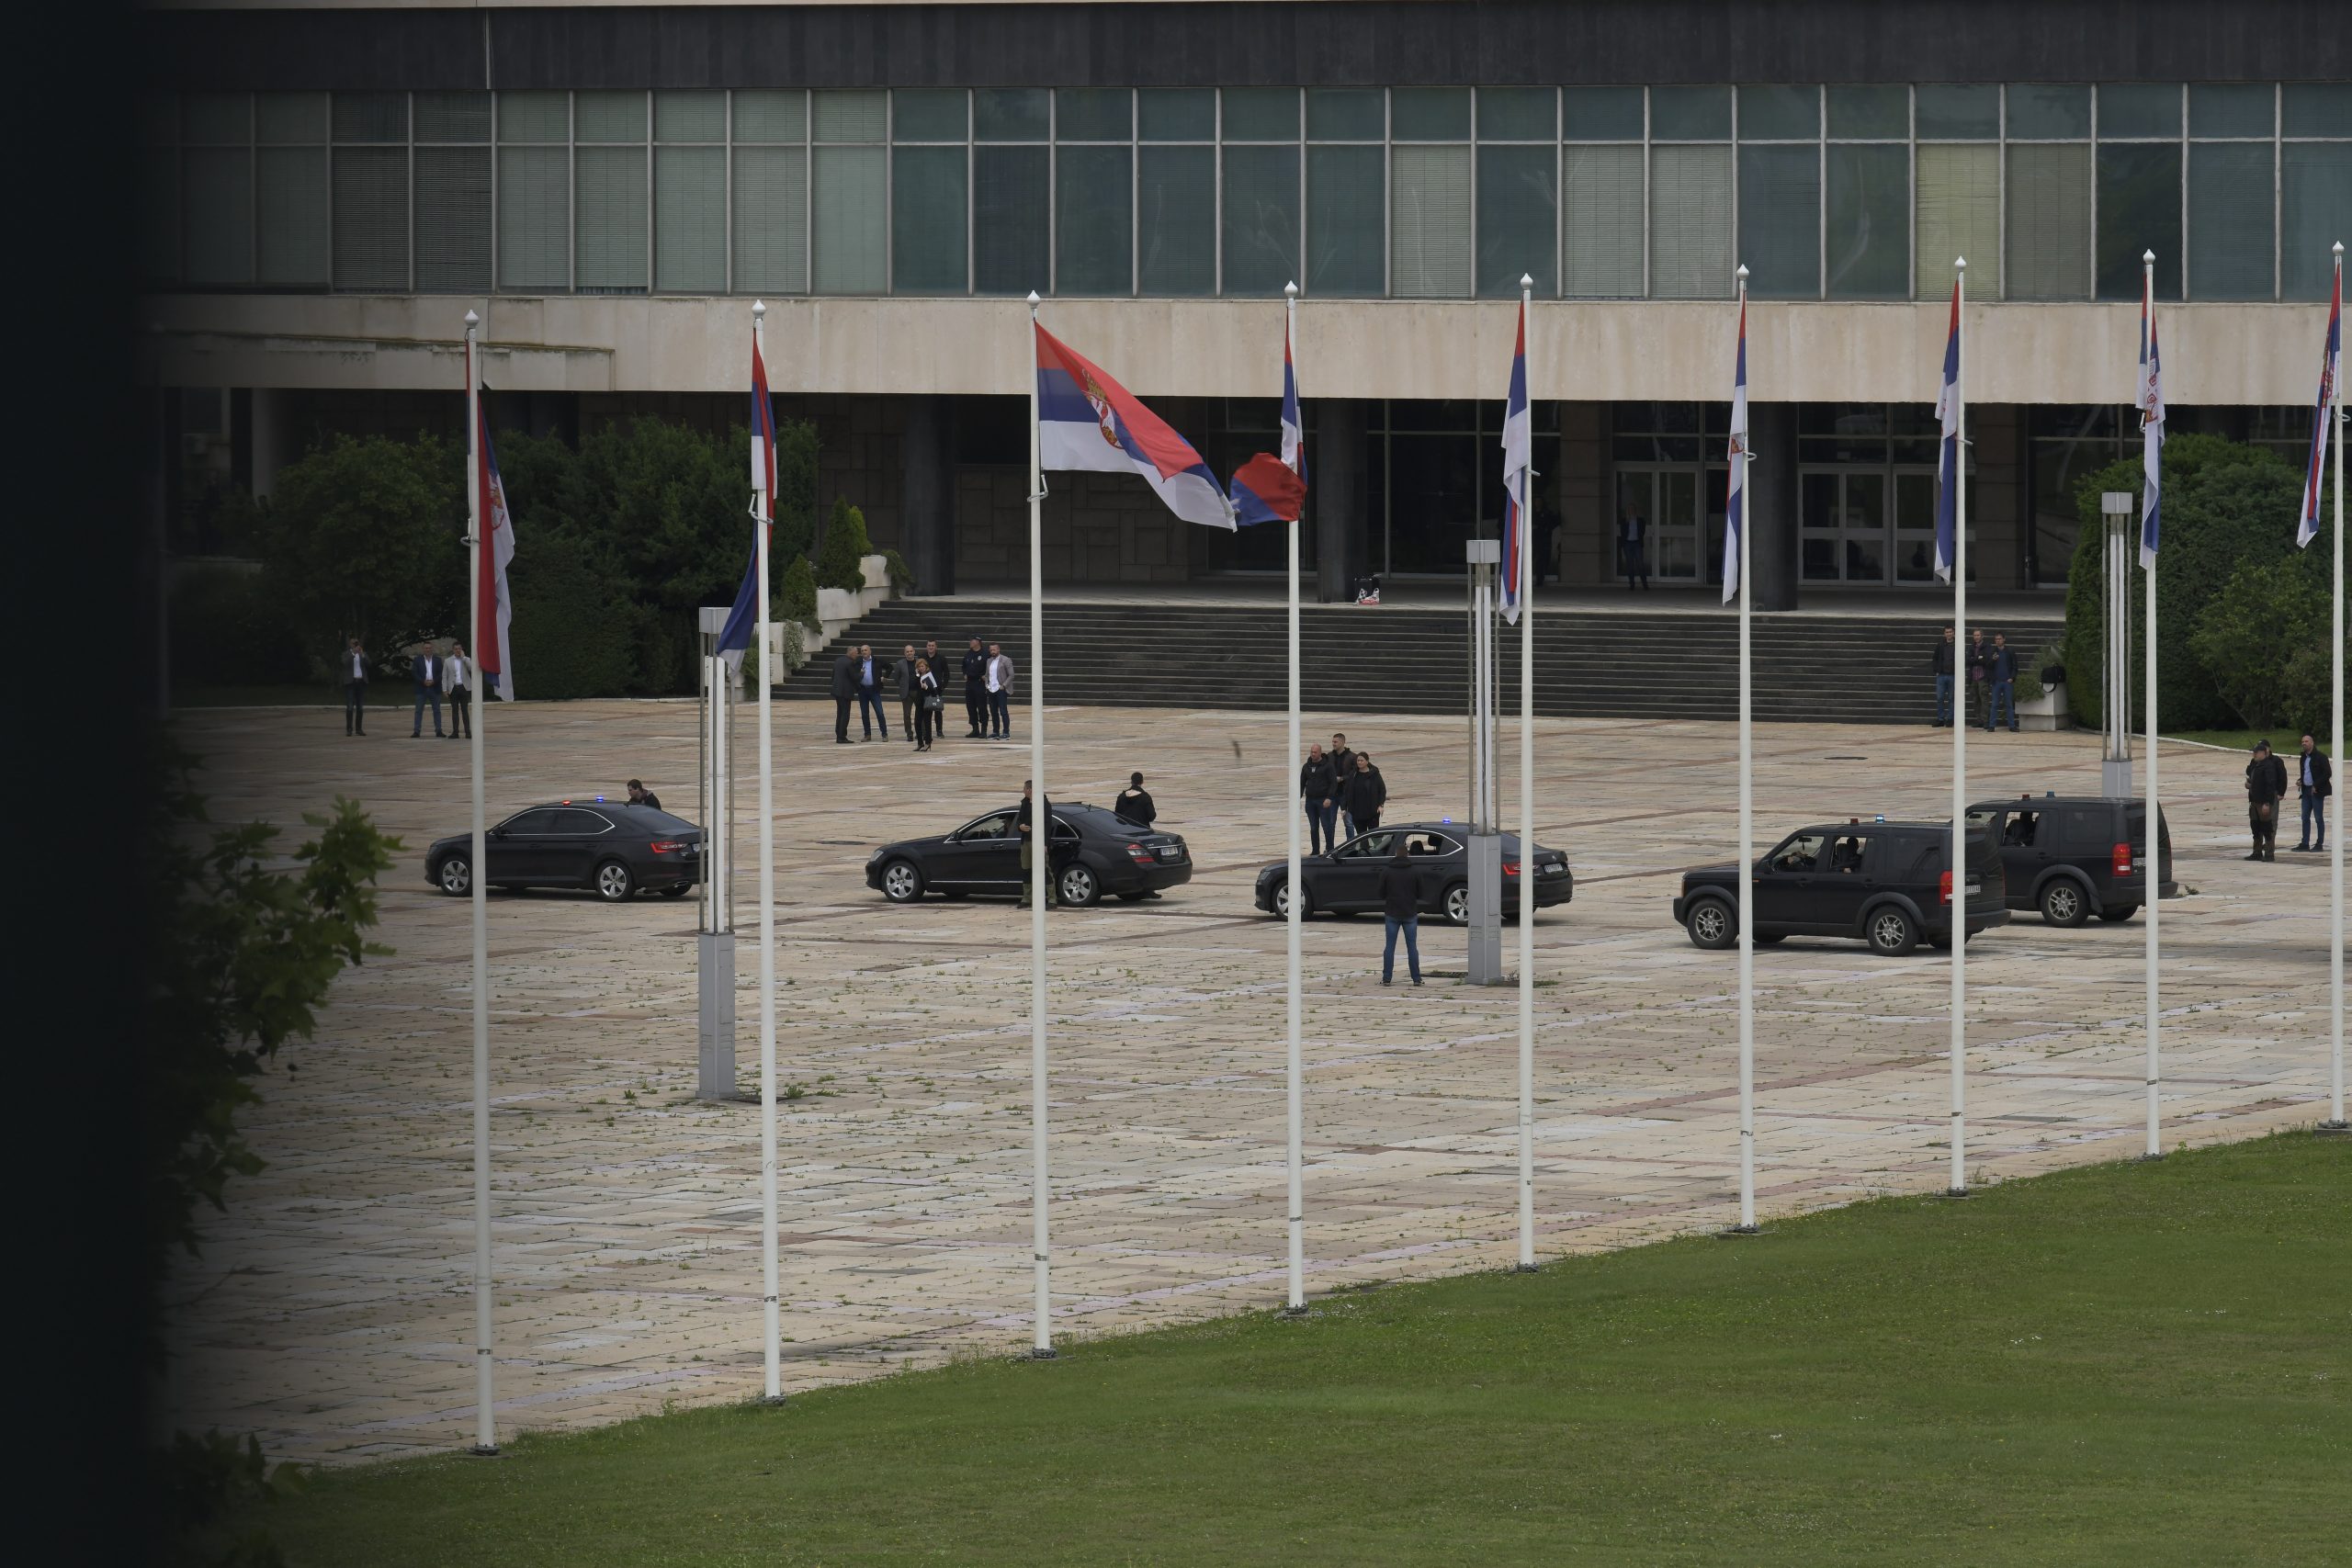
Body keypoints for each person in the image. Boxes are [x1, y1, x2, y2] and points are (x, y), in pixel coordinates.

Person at [1379, 844, 1423, 987]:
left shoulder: (1387, 871)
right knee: (1412, 947)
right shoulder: (1415, 871)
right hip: (1410, 913)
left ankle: (1387, 978)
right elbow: (1421, 892)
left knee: (1389, 947)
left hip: (1392, 912)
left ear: (1395, 855)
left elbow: (1380, 893)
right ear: (1407, 855)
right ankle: (1416, 978)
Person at [1016, 780, 1058, 909]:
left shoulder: (1044, 804)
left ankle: (1052, 899)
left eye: (1025, 788)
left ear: (1030, 789)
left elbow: (1047, 825)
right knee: (1026, 870)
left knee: (1045, 870)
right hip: (1026, 842)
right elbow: (1019, 820)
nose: (1023, 790)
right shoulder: (1024, 803)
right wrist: (1020, 827)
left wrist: (1045, 843)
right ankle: (1027, 898)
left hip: (1038, 842)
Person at [2245, 739, 2290, 862]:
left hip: (2265, 801)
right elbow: (2250, 775)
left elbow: (2271, 784)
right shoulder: (2255, 763)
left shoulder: (2271, 764)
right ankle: (2257, 851)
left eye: (2256, 752)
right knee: (2256, 826)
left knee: (2268, 826)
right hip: (2254, 800)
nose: (2254, 754)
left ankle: (2269, 853)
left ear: (2264, 752)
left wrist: (2267, 802)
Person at [2293, 731, 2333, 852]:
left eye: (2306, 741)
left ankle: (2319, 843)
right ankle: (2305, 843)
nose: (2304, 743)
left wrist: (2316, 785)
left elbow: (2327, 773)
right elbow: (2306, 773)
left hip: (2316, 791)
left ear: (2312, 743)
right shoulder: (2303, 757)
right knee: (2305, 817)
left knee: (2318, 817)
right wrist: (2301, 780)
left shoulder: (2321, 757)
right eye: (2302, 742)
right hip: (2305, 791)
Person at [1299, 743, 1338, 855]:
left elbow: (1333, 783)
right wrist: (1298, 797)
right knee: (1313, 827)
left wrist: (1329, 797)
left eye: (1315, 752)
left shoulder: (1328, 766)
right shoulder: (1307, 766)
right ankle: (1315, 850)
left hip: (1323, 799)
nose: (1313, 754)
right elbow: (1302, 783)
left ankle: (1330, 849)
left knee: (1326, 826)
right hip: (1310, 800)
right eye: (1311, 752)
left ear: (1320, 752)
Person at [1344, 750, 1387, 835]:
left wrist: (1380, 804)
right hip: (1357, 812)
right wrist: (1344, 807)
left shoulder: (1374, 774)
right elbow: (1347, 791)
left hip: (1372, 811)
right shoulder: (1353, 774)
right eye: (1358, 760)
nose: (1359, 762)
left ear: (1367, 761)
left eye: (1362, 760)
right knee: (1361, 836)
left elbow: (1382, 789)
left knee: (1375, 835)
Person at [1984, 633, 2018, 733]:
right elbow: (1988, 666)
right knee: (1994, 704)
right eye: (1996, 639)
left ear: (2004, 639)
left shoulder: (2010, 651)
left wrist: (2012, 677)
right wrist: (1992, 660)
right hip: (1996, 682)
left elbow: (2015, 666)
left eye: (1999, 639)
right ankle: (1992, 725)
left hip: (2007, 682)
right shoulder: (1992, 651)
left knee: (2009, 704)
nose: (1998, 641)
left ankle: (2012, 726)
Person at [854, 645, 889, 740]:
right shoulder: (858, 662)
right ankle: (867, 734)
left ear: (870, 651)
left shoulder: (877, 660)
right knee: (864, 713)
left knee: (879, 712)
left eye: (866, 650)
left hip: (874, 690)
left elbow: (890, 667)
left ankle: (884, 734)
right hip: (863, 690)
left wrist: (885, 677)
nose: (864, 652)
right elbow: (854, 674)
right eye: (862, 651)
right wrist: (859, 675)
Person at [1329, 733, 1360, 837]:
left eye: (1336, 742)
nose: (1333, 744)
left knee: (1349, 823)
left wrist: (1342, 778)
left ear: (1342, 742)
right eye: (1333, 741)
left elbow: (1355, 774)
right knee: (1330, 823)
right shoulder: (1329, 756)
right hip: (1332, 794)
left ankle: (1350, 846)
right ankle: (1330, 848)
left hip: (1346, 794)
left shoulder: (1352, 757)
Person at [409, 646, 445, 739]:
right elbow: (414, 673)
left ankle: (439, 730)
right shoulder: (417, 660)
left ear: (432, 649)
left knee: (437, 710)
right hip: (421, 688)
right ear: (423, 649)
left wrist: (434, 681)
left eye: (429, 648)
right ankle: (416, 731)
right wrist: (423, 681)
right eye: (425, 648)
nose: (427, 649)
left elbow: (441, 673)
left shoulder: (437, 660)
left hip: (434, 687)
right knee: (418, 710)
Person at [442, 640, 472, 739]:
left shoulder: (466, 659)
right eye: (456, 649)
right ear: (453, 650)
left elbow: (472, 668)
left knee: (465, 710)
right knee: (454, 710)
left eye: (459, 649)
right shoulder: (448, 661)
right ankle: (455, 732)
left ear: (462, 649)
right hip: (453, 688)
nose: (457, 651)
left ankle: (468, 732)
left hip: (464, 687)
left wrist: (464, 658)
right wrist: (445, 689)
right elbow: (444, 676)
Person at [340, 637, 369, 736]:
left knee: (360, 707)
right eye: (353, 643)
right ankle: (349, 729)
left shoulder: (362, 653)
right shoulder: (346, 654)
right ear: (350, 644)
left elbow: (369, 664)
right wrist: (353, 653)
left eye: (357, 643)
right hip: (350, 683)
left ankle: (359, 729)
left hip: (360, 682)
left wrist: (363, 654)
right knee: (350, 707)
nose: (356, 645)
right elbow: (345, 663)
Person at [987, 643, 1016, 739]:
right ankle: (996, 731)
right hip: (991, 689)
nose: (992, 652)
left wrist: (1003, 685)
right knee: (993, 711)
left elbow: (1011, 675)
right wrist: (986, 684)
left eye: (994, 650)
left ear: (998, 650)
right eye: (991, 650)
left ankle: (1006, 732)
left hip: (1001, 689)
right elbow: (987, 675)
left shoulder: (1005, 660)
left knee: (1003, 711)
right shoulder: (989, 661)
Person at [1617, 505, 1649, 591]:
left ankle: (1645, 584)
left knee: (1640, 564)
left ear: (1635, 510)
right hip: (1628, 544)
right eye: (1630, 509)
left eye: (1633, 509)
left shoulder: (1640, 520)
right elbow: (1623, 533)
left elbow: (1642, 531)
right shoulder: (1624, 521)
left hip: (1637, 544)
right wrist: (1623, 544)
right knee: (1630, 565)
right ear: (1628, 511)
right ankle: (1632, 584)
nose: (1631, 511)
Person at [829, 647, 856, 744]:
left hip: (837, 691)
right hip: (845, 692)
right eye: (856, 653)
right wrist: (862, 673)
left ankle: (839, 734)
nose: (857, 655)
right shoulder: (850, 663)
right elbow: (854, 677)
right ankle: (841, 736)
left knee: (840, 713)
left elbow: (833, 675)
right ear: (851, 653)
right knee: (845, 714)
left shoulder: (838, 660)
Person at [961, 637, 988, 739]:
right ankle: (975, 729)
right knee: (970, 707)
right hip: (970, 684)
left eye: (972, 641)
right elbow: (963, 665)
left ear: (978, 642)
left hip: (980, 683)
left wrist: (986, 676)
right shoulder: (969, 653)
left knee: (981, 707)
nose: (970, 642)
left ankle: (984, 730)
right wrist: (964, 674)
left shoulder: (985, 653)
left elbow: (990, 666)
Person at [922, 641, 948, 739]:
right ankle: (923, 731)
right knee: (924, 710)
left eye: (933, 645)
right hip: (924, 689)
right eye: (929, 645)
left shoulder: (941, 658)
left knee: (938, 710)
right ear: (926, 647)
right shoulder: (922, 657)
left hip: (937, 689)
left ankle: (939, 731)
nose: (931, 647)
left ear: (936, 647)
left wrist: (943, 686)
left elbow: (946, 673)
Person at [913, 658, 941, 751]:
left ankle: (928, 742)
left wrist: (927, 687)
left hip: (927, 702)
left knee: (927, 723)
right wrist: (917, 675)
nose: (921, 668)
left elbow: (934, 690)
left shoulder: (930, 676)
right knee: (917, 722)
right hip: (919, 702)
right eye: (919, 667)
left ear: (926, 667)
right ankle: (920, 743)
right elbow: (915, 686)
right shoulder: (918, 676)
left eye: (922, 666)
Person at [1931, 626, 1956, 728]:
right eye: (1947, 632)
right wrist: (1936, 670)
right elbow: (1935, 658)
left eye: (1950, 632)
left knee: (1952, 698)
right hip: (1941, 675)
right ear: (1944, 633)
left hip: (1952, 675)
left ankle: (1950, 719)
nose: (1949, 634)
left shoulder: (1957, 644)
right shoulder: (1940, 645)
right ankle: (1940, 718)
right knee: (1940, 697)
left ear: (1954, 633)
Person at [895, 643, 921, 744]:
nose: (909, 653)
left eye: (911, 651)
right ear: (904, 653)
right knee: (907, 714)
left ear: (914, 652)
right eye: (907, 651)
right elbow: (896, 678)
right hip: (906, 692)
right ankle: (909, 734)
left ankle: (920, 733)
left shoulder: (920, 662)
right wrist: (903, 685)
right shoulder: (900, 663)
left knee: (920, 714)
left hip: (918, 692)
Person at [1965, 628, 1990, 728]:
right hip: (1973, 677)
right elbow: (1967, 660)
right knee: (1975, 699)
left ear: (1982, 636)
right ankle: (1979, 720)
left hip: (1982, 676)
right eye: (1975, 635)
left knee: (1984, 699)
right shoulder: (1971, 647)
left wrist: (1974, 659)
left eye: (1978, 635)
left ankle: (1986, 721)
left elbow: (1986, 660)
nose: (1976, 637)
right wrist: (1978, 658)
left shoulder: (1987, 646)